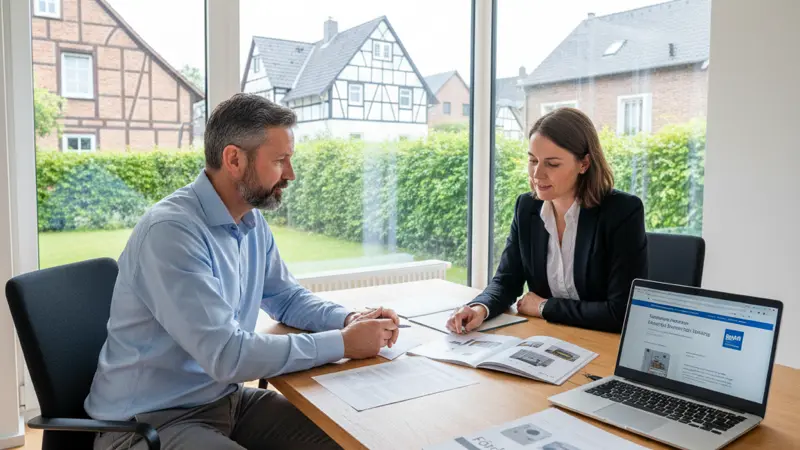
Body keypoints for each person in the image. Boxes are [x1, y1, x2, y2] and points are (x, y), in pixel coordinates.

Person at [85, 93, 400, 450]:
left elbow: (285, 297)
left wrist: (349, 319)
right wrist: (343, 344)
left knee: (348, 441)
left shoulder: (250, 220)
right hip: (148, 424)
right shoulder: (171, 232)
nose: (291, 175)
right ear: (234, 159)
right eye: (280, 161)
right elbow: (228, 356)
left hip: (226, 403)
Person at [448, 107, 647, 334]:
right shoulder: (527, 208)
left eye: (552, 164)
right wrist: (479, 308)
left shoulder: (622, 212)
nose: (537, 174)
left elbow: (621, 312)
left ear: (584, 164)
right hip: (547, 338)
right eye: (533, 160)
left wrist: (544, 306)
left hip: (603, 343)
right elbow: (506, 280)